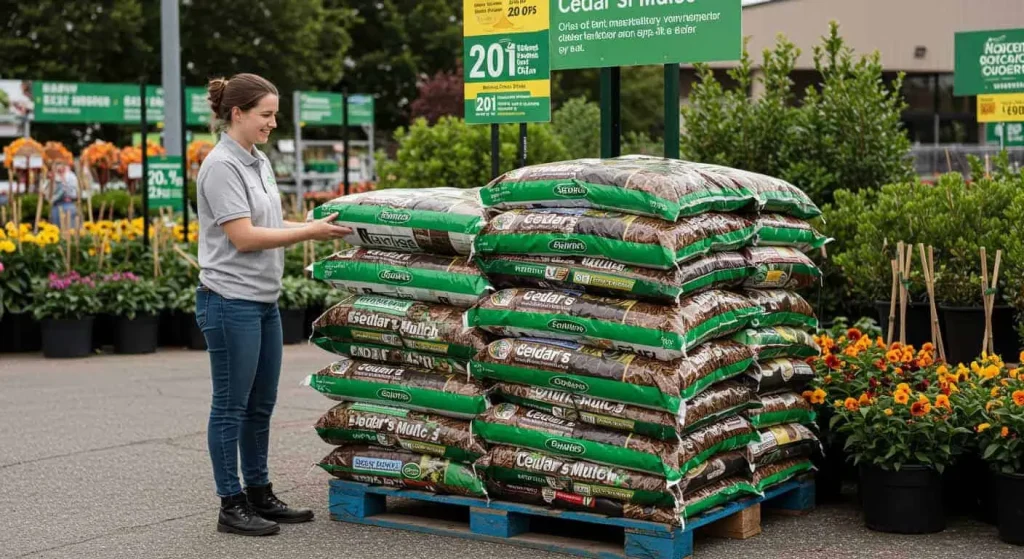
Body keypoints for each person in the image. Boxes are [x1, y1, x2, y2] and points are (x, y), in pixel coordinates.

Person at [194, 73, 350, 537]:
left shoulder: (256, 160)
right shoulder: (220, 165)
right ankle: (231, 503)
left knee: (260, 405)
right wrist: (308, 233)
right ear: (236, 114)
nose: (273, 123)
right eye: (265, 114)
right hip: (229, 301)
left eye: (275, 114)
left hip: (263, 301)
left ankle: (259, 492)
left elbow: (264, 219)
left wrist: (310, 223)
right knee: (230, 407)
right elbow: (243, 237)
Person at [48, 160, 80, 229]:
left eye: (60, 166)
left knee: (70, 229)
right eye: (56, 166)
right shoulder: (52, 178)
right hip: (56, 206)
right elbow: (49, 195)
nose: (58, 168)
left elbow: (75, 193)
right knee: (57, 229)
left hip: (68, 204)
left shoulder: (71, 176)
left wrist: (63, 181)